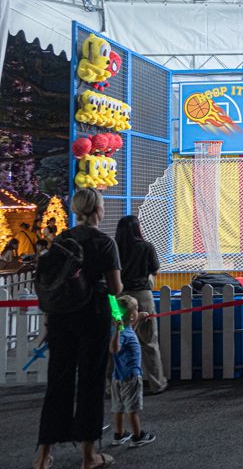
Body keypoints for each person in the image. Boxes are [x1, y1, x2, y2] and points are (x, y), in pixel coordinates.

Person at [34, 187, 123, 469]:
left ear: (75, 210)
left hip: (60, 318)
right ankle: (88, 457)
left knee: (57, 383)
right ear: (98, 209)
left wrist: (50, 320)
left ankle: (43, 456)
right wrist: (118, 315)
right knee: (90, 383)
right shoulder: (104, 243)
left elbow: (52, 282)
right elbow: (114, 288)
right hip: (92, 317)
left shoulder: (61, 239)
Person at [114, 216, 168, 394]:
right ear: (137, 228)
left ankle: (111, 384)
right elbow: (155, 271)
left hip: (119, 297)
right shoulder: (146, 246)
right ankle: (157, 383)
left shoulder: (114, 247)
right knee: (149, 342)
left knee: (117, 340)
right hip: (142, 296)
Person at [109, 294, 155, 448]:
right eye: (136, 310)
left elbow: (129, 331)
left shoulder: (125, 330)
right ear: (132, 315)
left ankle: (120, 434)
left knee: (119, 407)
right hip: (131, 376)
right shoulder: (120, 333)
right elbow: (114, 349)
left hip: (118, 376)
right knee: (132, 408)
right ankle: (137, 436)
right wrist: (117, 332)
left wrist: (138, 319)